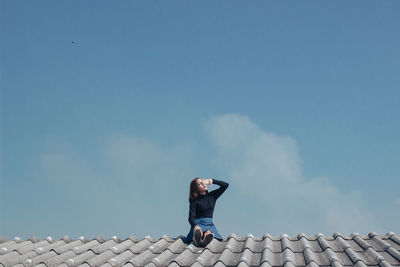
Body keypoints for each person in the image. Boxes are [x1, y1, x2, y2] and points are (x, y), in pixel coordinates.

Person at [185, 177, 229, 247]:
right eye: (200, 183)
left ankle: (205, 238)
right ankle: (197, 236)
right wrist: (195, 226)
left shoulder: (212, 196)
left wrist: (211, 181)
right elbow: (191, 218)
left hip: (209, 224)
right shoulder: (194, 201)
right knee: (198, 230)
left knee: (208, 233)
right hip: (198, 223)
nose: (204, 184)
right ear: (196, 188)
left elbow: (225, 185)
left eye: (203, 182)